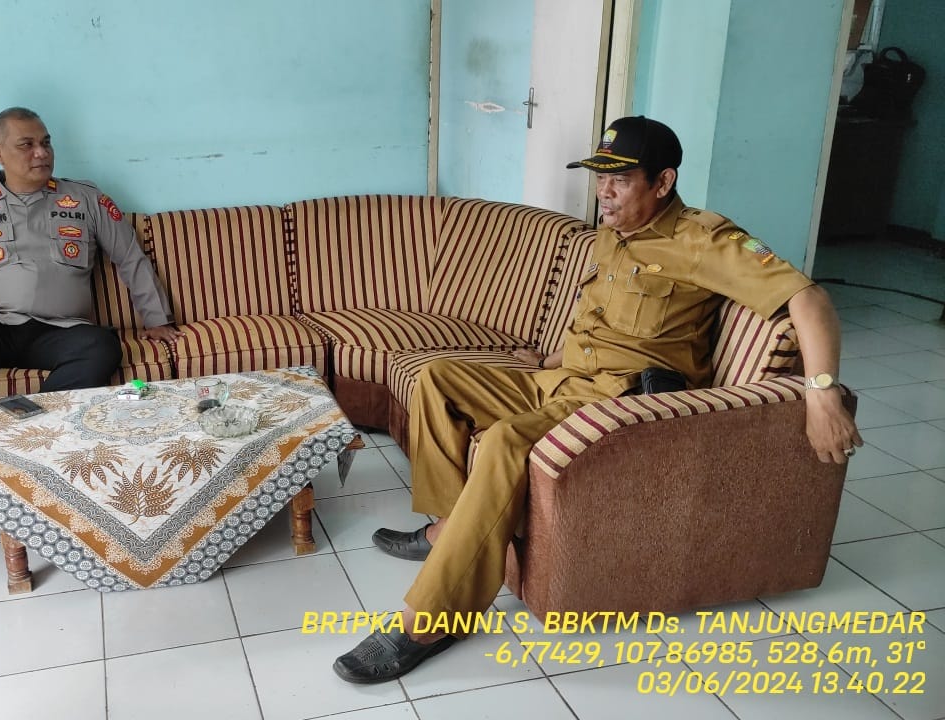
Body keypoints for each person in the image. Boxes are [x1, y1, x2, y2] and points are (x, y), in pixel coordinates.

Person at [331, 116, 862, 683]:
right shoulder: (614, 230)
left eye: (620, 180)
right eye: (600, 178)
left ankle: (432, 620)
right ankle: (448, 529)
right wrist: (548, 362)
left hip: (616, 400)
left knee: (507, 440)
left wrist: (822, 394)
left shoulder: (703, 241)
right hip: (564, 378)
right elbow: (602, 324)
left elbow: (808, 299)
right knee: (438, 378)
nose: (603, 193)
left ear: (663, 182)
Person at [0, 107, 179, 492]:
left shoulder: (85, 200)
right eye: (26, 145)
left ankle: (25, 432)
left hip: (59, 332)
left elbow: (129, 257)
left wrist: (156, 318)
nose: (41, 153)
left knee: (102, 345)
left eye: (45, 143)